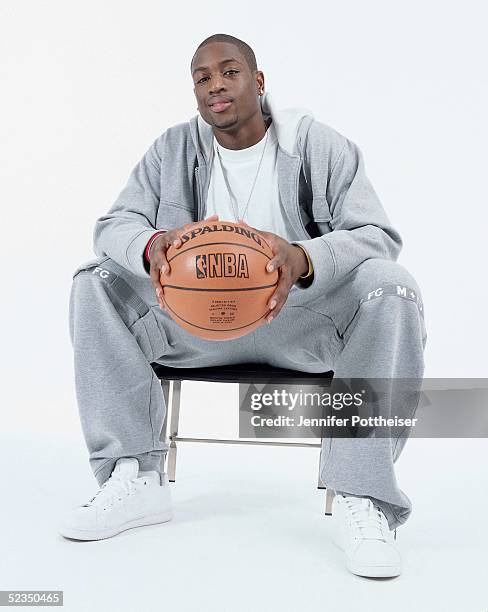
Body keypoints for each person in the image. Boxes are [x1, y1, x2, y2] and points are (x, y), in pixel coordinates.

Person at [59, 33, 427, 578]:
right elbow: (113, 226)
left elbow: (378, 235)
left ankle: (362, 494)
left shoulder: (318, 147)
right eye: (202, 78)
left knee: (391, 285)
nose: (215, 86)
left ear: (258, 81)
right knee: (94, 280)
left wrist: (303, 257)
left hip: (302, 323)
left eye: (229, 72)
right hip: (191, 327)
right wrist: (150, 245)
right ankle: (135, 477)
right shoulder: (172, 149)